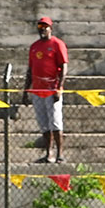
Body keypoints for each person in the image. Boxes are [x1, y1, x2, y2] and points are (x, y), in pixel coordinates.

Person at [20, 15, 67, 163]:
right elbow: (30, 69)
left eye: (45, 27)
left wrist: (59, 87)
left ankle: (60, 153)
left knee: (55, 122)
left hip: (52, 89)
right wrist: (26, 91)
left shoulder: (57, 44)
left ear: (50, 28)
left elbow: (64, 66)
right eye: (40, 27)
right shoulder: (34, 46)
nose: (42, 29)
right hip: (37, 90)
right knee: (44, 123)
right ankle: (49, 153)